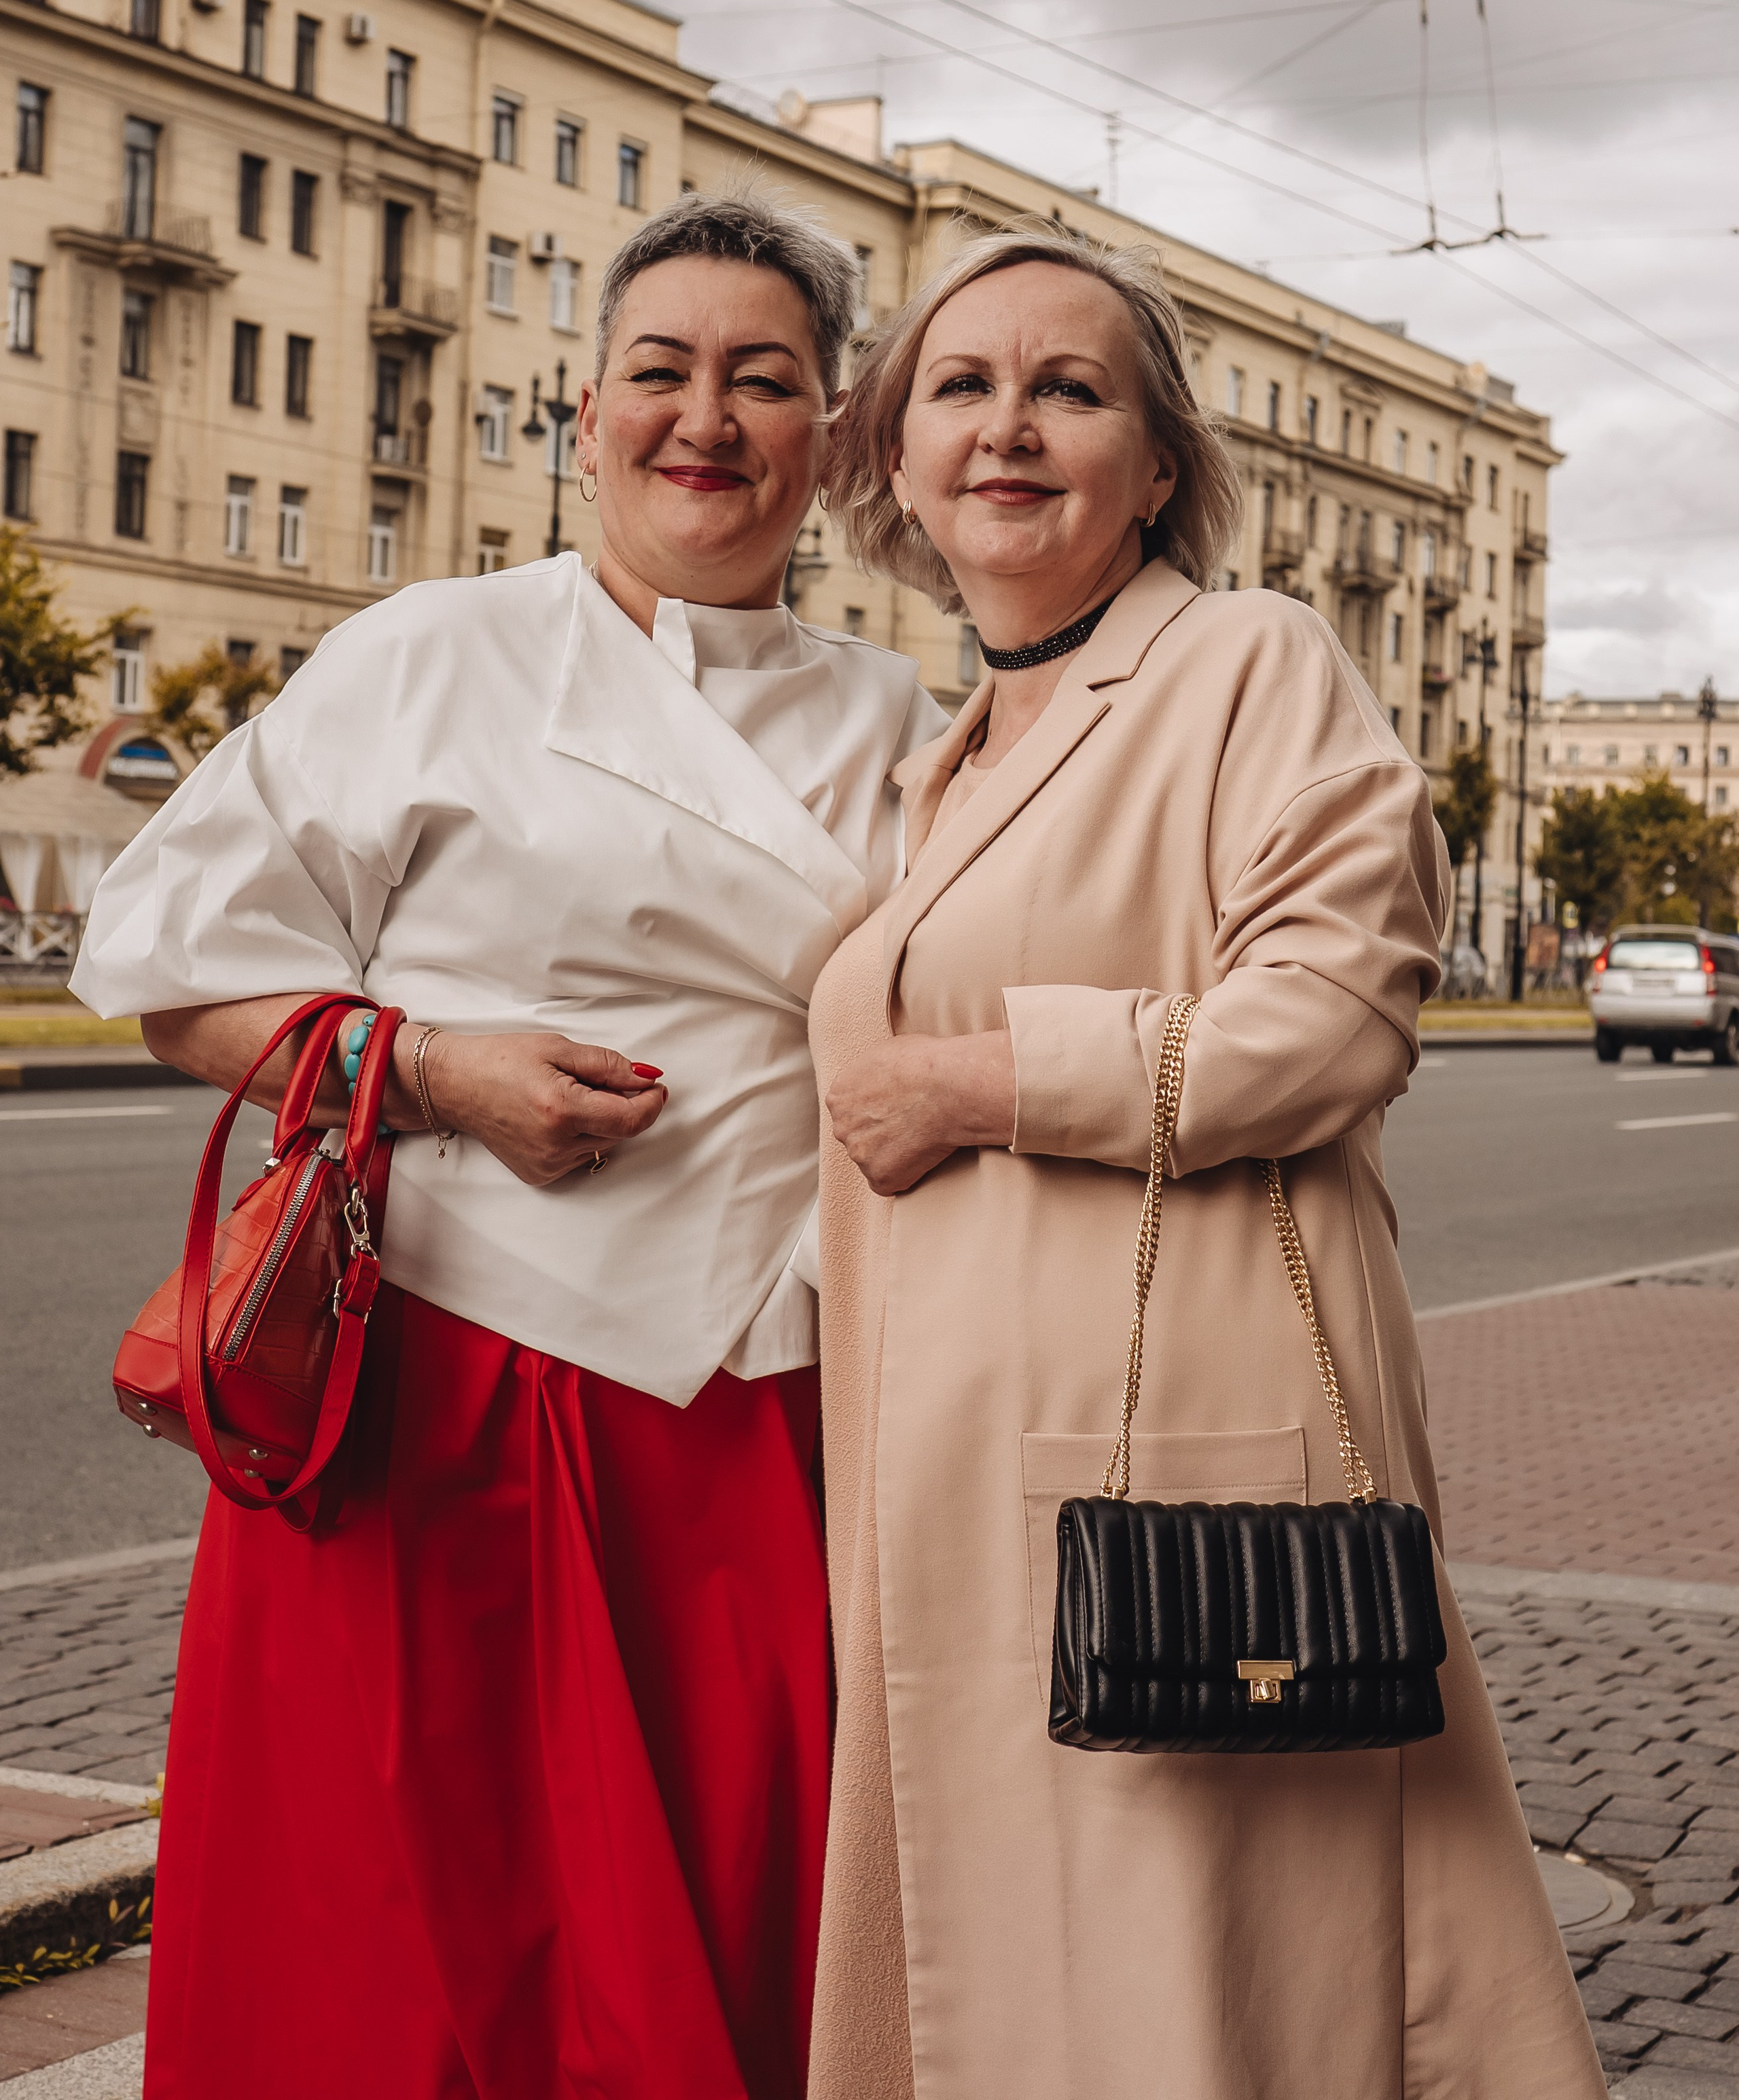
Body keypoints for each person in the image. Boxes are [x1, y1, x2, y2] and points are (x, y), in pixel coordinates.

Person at [73, 193, 946, 2100]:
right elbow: (165, 974)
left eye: (762, 379)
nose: (703, 418)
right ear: (587, 412)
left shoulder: (907, 722)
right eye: (660, 370)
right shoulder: (430, 652)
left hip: (762, 1413)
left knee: (739, 1933)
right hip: (441, 1395)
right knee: (397, 1961)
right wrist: (430, 1071)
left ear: (832, 434)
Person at [805, 230, 1604, 2099]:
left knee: (1201, 1984)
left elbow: (1329, 1017)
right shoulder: (949, 754)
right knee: (1039, 1974)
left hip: (1174, 1470)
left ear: (1160, 465)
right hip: (968, 1476)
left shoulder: (1250, 659)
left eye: (1069, 390)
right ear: (900, 458)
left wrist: (980, 1083)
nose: (1008, 426)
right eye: (961, 387)